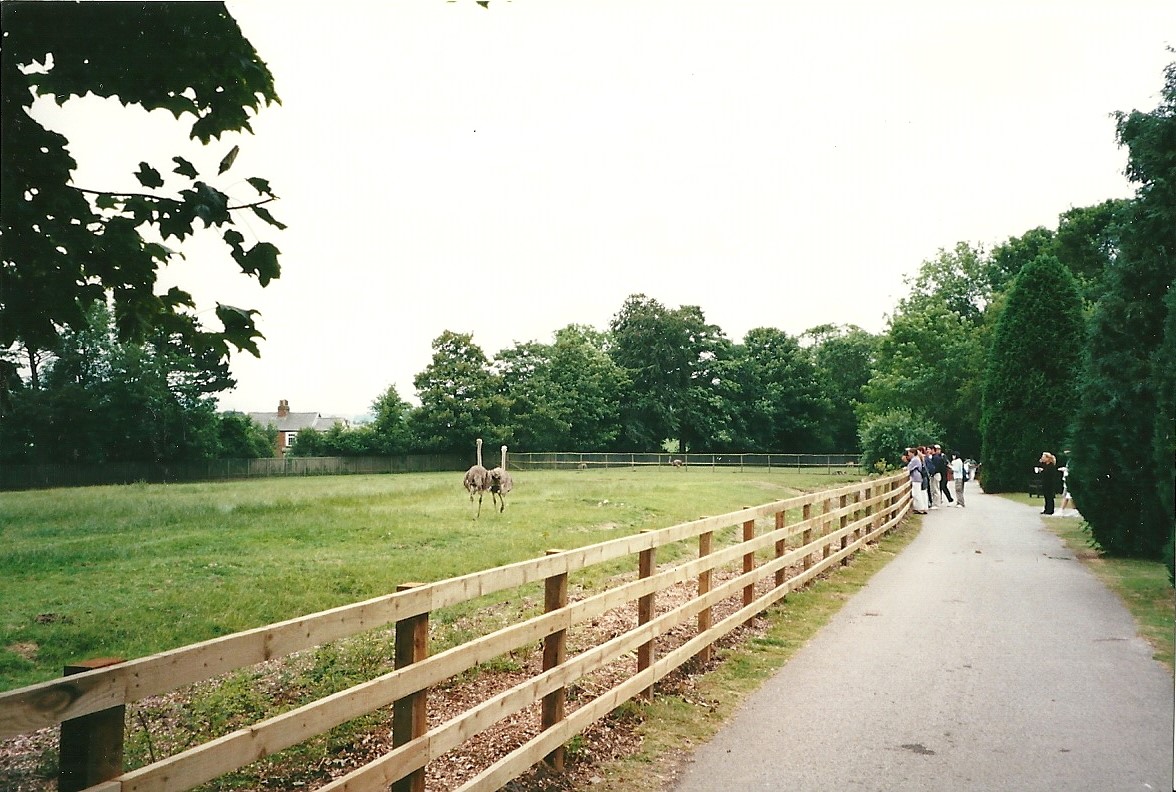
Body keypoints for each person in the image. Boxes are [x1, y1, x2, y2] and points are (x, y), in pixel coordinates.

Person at [905, 448, 928, 514]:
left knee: (916, 494)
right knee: (917, 493)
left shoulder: (915, 459)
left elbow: (909, 468)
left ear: (913, 453)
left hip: (916, 478)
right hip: (917, 478)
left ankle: (920, 508)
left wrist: (905, 468)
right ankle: (920, 507)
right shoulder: (917, 459)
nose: (908, 454)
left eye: (909, 453)